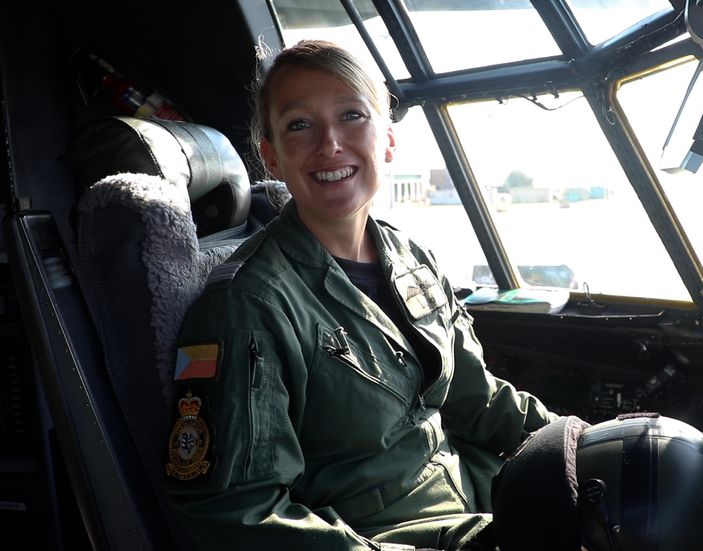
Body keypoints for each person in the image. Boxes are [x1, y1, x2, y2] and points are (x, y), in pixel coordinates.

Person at [162, 40, 555, 550]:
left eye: (351, 115)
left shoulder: (411, 256)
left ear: (387, 139)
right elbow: (235, 513)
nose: (329, 145)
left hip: (479, 494)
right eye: (300, 125)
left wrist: (578, 443)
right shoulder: (245, 309)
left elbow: (479, 404)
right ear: (272, 157)